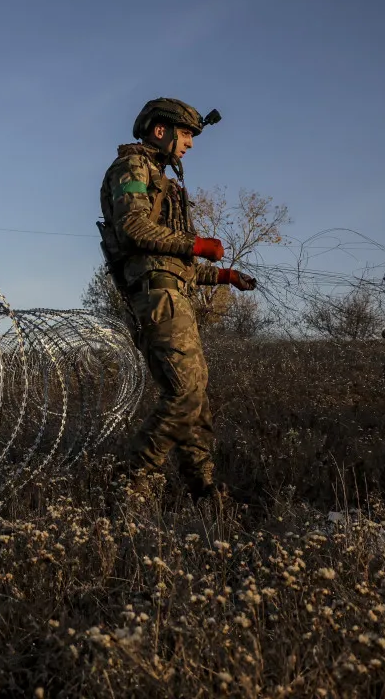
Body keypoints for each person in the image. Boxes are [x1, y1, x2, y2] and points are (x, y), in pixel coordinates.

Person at [96, 97, 258, 504]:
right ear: (160, 131)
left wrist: (223, 276)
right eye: (185, 134)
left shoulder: (162, 181)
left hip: (173, 292)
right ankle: (128, 480)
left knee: (196, 396)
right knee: (184, 392)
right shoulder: (131, 168)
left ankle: (201, 488)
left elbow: (175, 260)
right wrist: (198, 244)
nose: (189, 143)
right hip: (157, 297)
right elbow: (133, 228)